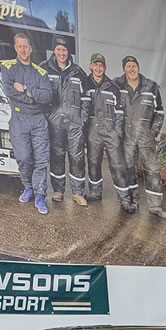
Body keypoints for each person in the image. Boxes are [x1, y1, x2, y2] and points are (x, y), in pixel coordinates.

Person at [0, 31, 52, 215]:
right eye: (19, 46)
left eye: (26, 46)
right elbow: (9, 92)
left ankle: (40, 194)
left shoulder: (41, 72)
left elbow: (47, 97)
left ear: (30, 48)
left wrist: (27, 90)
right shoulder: (7, 68)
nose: (23, 49)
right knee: (23, 158)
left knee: (41, 159)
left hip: (38, 119)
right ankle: (28, 186)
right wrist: (33, 97)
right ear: (15, 47)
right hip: (19, 119)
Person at [115, 55, 166, 220]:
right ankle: (132, 201)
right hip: (126, 136)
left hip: (146, 135)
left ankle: (156, 207)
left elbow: (159, 112)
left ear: (138, 67)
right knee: (129, 169)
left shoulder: (151, 87)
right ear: (124, 69)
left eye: (134, 66)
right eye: (128, 66)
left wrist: (153, 131)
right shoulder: (117, 85)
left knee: (152, 170)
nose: (132, 69)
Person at [41, 35, 89, 207]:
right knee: (57, 156)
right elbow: (40, 96)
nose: (62, 53)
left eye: (65, 50)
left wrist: (82, 119)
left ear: (69, 52)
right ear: (54, 50)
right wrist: (47, 116)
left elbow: (86, 99)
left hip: (74, 123)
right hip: (54, 123)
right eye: (59, 49)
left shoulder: (78, 72)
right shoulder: (44, 69)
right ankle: (58, 190)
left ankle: (77, 192)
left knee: (77, 157)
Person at [85, 54, 135, 213]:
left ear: (105, 68)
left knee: (117, 164)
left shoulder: (113, 87)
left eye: (101, 66)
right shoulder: (85, 84)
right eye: (96, 65)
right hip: (93, 130)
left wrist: (117, 132)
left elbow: (120, 112)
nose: (98, 68)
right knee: (93, 162)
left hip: (110, 129)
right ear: (91, 66)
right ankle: (95, 193)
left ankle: (125, 199)